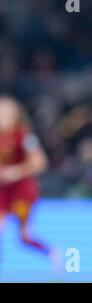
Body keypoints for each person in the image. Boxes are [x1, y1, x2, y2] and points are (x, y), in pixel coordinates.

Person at [0, 96, 50, 259]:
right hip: (3, 192)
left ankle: (53, 254)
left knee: (24, 236)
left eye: (6, 113)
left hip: (22, 193)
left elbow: (40, 161)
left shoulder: (25, 136)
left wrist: (16, 171)